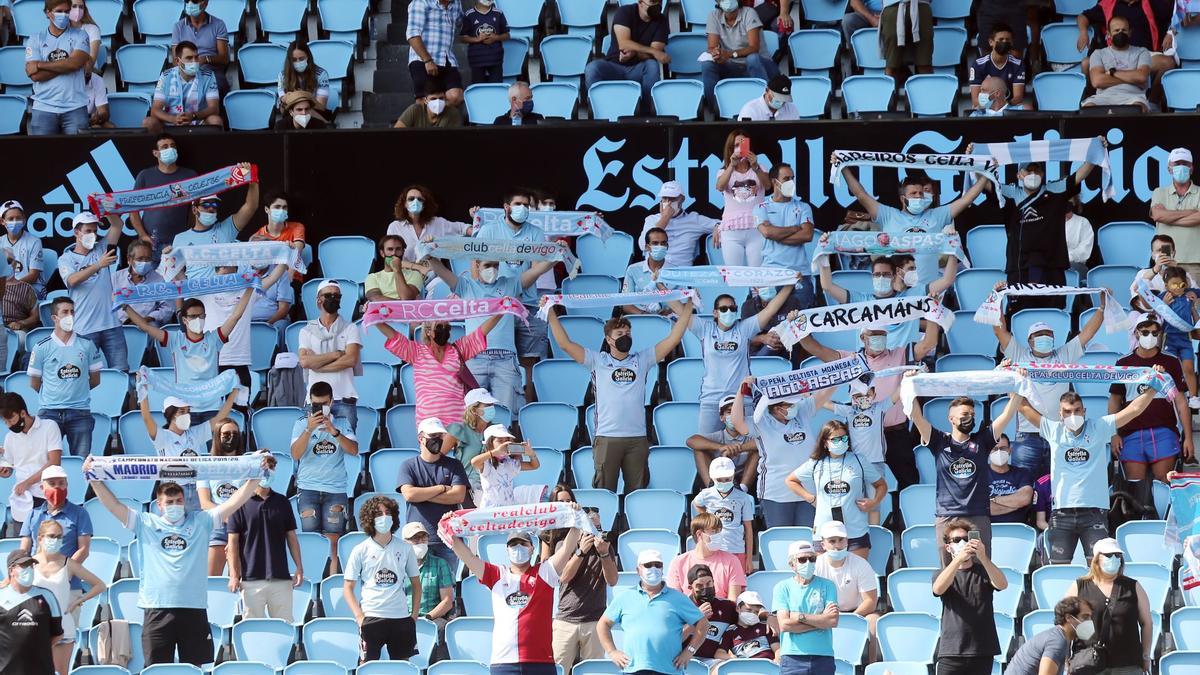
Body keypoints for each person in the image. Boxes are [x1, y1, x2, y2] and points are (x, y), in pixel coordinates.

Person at [84, 453, 272, 666]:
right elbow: (114, 506)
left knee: (193, 668)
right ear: (159, 504)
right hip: (157, 608)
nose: (175, 505)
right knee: (156, 669)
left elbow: (233, 503)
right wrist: (94, 479)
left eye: (179, 501)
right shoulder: (145, 523)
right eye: (170, 502)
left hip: (193, 607)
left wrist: (256, 477)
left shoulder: (201, 521)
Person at [546, 301, 692, 492]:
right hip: (607, 437)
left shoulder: (643, 359)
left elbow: (673, 338)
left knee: (637, 492)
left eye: (628, 334)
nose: (625, 337)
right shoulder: (597, 360)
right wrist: (549, 311)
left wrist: (688, 306)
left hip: (637, 438)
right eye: (620, 334)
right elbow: (565, 344)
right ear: (608, 339)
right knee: (605, 492)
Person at [1017, 384, 1159, 563]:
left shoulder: (1100, 427)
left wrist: (1154, 386)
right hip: (1061, 514)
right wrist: (1011, 379)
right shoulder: (1053, 430)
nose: (1073, 415)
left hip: (1094, 514)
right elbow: (1022, 406)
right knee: (1059, 569)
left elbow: (1135, 409)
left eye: (1077, 410)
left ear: (1084, 411)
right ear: (1060, 414)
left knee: (1099, 571)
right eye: (1067, 412)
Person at [799, 325, 940, 490]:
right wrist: (798, 327)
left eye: (882, 335)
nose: (878, 338)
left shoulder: (901, 354)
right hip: (862, 436)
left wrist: (933, 311)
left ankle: (905, 515)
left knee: (909, 483)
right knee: (860, 485)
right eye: (873, 334)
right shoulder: (850, 359)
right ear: (862, 338)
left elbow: (929, 343)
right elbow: (814, 348)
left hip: (896, 433)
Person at [446, 516, 583, 675]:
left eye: (523, 544)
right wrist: (450, 527)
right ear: (507, 550)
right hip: (503, 662)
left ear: (532, 548)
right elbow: (467, 557)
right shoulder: (496, 575)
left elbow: (567, 548)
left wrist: (576, 518)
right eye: (513, 544)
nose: (518, 547)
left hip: (540, 662)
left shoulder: (545, 572)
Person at [427, 255, 553, 413]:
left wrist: (557, 256)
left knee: (507, 414)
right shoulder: (465, 286)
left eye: (495, 265)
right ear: (477, 265)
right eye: (487, 265)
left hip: (505, 359)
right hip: (474, 358)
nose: (492, 269)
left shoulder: (510, 284)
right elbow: (442, 271)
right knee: (472, 416)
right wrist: (429, 254)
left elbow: (537, 271)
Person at [909, 387, 1022, 562]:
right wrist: (909, 386)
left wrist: (1016, 384)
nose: (969, 418)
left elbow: (1007, 414)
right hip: (947, 515)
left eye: (972, 414)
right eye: (964, 414)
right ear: (951, 418)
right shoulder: (939, 441)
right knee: (948, 569)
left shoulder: (982, 441)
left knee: (980, 567)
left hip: (977, 515)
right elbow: (916, 416)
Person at [995, 310, 1106, 476]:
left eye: (1048, 334)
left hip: (1058, 433)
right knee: (1026, 489)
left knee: (1058, 489)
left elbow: (1088, 332)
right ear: (1029, 340)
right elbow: (999, 330)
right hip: (1028, 437)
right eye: (1039, 334)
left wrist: (1102, 308)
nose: (1044, 337)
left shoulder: (1064, 355)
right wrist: (997, 302)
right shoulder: (1018, 354)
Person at [838, 167, 986, 287]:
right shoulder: (887, 215)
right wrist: (843, 168)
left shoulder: (937, 215)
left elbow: (967, 199)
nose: (919, 197)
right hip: (897, 290)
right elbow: (860, 194)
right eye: (913, 193)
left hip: (930, 290)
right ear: (903, 199)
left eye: (921, 193)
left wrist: (986, 174)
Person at [123, 292, 253, 424]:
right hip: (184, 408)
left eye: (201, 316)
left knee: (214, 445)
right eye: (193, 316)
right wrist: (125, 307)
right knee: (186, 445)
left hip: (212, 408)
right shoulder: (175, 339)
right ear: (184, 320)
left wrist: (251, 288)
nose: (198, 319)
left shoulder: (215, 338)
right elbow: (145, 326)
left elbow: (235, 317)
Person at [681, 286, 795, 433]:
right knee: (705, 446)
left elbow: (770, 310)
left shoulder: (744, 328)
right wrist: (662, 285)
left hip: (742, 398)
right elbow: (680, 311)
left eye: (732, 308)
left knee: (750, 446)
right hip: (711, 400)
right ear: (715, 313)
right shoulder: (705, 328)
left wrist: (789, 285)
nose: (728, 312)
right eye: (723, 309)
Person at [730, 373, 830, 529]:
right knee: (781, 541)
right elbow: (737, 422)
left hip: (808, 492)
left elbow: (824, 394)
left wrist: (843, 370)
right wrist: (741, 391)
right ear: (776, 408)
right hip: (776, 493)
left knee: (807, 539)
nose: (794, 407)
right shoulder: (760, 421)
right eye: (789, 405)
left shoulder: (801, 412)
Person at [376, 313, 503, 427]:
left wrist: (500, 313)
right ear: (428, 332)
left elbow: (481, 332)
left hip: (457, 421)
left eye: (446, 327)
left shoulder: (458, 349)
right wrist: (374, 317)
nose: (444, 330)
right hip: (428, 422)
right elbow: (394, 336)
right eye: (439, 327)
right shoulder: (416, 352)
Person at [1110, 314, 1192, 483]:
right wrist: (1113, 434)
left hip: (1164, 431)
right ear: (1136, 333)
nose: (1150, 336)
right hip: (1131, 432)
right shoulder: (1123, 362)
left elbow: (1181, 402)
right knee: (1135, 485)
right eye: (1145, 332)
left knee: (1164, 481)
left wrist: (1189, 438)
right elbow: (1115, 400)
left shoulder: (1171, 361)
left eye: (1155, 333)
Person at [599, 549, 709, 675]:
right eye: (648, 565)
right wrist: (612, 652)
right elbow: (603, 624)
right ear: (638, 570)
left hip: (669, 670)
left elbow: (703, 623)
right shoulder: (625, 597)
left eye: (658, 565)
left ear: (662, 569)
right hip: (633, 669)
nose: (653, 569)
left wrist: (689, 651)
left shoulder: (678, 598)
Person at [788, 420, 887, 557]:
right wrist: (811, 498)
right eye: (835, 439)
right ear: (825, 442)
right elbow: (791, 480)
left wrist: (874, 502)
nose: (840, 442)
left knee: (856, 575)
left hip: (855, 530)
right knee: (824, 576)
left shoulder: (859, 460)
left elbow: (881, 485)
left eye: (844, 438)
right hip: (824, 530)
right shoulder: (816, 463)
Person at [291, 381, 358, 575]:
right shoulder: (301, 424)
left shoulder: (342, 424)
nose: (320, 409)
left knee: (333, 542)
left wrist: (333, 431)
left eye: (324, 404)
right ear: (310, 403)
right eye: (315, 405)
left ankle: (330, 582)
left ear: (332, 402)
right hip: (308, 488)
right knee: (310, 540)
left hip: (335, 489)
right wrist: (308, 430)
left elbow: (354, 450)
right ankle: (311, 581)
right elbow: (294, 454)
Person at [344, 495, 421, 663]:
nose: (384, 517)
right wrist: (359, 617)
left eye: (387, 512)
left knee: (402, 668)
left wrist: (413, 616)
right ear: (370, 518)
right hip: (371, 616)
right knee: (367, 667)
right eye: (378, 514)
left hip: (400, 617)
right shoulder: (360, 550)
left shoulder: (406, 548)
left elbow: (416, 584)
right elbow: (348, 587)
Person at [1063, 538, 1155, 675]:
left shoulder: (1133, 586)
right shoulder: (1079, 587)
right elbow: (1065, 623)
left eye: (1117, 555)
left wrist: (1146, 655)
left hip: (1127, 664)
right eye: (1108, 555)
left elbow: (1147, 623)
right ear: (1096, 559)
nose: (1113, 558)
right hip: (1088, 663)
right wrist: (1065, 658)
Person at [226, 466, 303, 620]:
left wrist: (299, 567)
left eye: (271, 468)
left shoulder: (282, 502)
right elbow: (232, 543)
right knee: (252, 631)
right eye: (263, 469)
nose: (268, 473)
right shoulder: (238, 502)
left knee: (285, 628)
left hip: (281, 578)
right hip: (250, 580)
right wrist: (234, 575)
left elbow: (292, 537)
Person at [142, 390, 239, 513]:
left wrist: (234, 392)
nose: (186, 415)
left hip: (198, 489)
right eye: (182, 411)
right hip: (174, 491)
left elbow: (220, 417)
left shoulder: (194, 433)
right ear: (170, 414)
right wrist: (143, 391)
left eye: (188, 411)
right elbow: (146, 418)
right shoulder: (162, 436)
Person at [933, 517, 1008, 675]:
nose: (963, 543)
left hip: (981, 650)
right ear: (948, 547)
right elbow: (938, 589)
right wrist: (958, 559)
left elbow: (1002, 584)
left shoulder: (984, 571)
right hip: (952, 651)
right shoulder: (943, 574)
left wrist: (982, 556)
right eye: (957, 540)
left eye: (966, 539)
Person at [31, 519, 106, 675]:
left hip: (63, 627)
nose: (56, 540)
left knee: (60, 672)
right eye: (52, 536)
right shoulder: (29, 563)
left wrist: (78, 601)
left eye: (59, 537)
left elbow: (100, 585)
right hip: (35, 627)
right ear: (40, 538)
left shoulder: (69, 563)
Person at [28, 297, 101, 458]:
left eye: (72, 312)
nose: (70, 315)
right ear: (55, 317)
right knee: (46, 464)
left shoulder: (87, 344)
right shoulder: (41, 347)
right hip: (49, 413)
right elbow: (34, 383)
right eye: (65, 312)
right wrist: (56, 393)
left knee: (83, 464)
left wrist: (76, 390)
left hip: (80, 412)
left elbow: (95, 379)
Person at [398, 418, 470, 570]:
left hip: (448, 539)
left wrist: (422, 494)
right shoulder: (408, 465)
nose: (438, 439)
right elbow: (409, 495)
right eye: (433, 435)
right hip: (417, 539)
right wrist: (441, 488)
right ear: (421, 439)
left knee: (448, 588)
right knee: (417, 589)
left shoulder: (454, 465)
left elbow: (458, 496)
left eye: (440, 435)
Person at [551, 506, 617, 674]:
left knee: (593, 671)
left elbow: (612, 580)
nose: (595, 531)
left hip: (595, 620)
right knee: (558, 669)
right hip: (566, 619)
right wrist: (581, 551)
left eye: (598, 527)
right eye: (590, 526)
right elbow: (564, 577)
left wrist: (604, 554)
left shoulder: (605, 547)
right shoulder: (564, 545)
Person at [58, 210, 127, 372]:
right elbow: (72, 280)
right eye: (88, 231)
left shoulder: (101, 247)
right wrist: (98, 265)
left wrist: (105, 207)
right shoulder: (66, 258)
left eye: (95, 231)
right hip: (84, 328)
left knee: (122, 372)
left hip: (112, 325)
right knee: (84, 375)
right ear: (77, 232)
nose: (93, 235)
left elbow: (118, 224)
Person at [18, 465, 93, 611]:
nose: (57, 487)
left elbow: (83, 549)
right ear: (42, 487)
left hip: (69, 586)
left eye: (61, 483)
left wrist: (62, 572)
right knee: (36, 632)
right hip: (37, 585)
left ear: (67, 485)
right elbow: (24, 549)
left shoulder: (80, 513)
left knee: (68, 632)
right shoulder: (33, 514)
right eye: (52, 484)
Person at [298, 279, 363, 431]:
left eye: (336, 296)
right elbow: (305, 362)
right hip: (315, 400)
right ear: (319, 299)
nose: (333, 299)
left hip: (344, 399)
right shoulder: (306, 331)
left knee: (347, 446)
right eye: (328, 295)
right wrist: (335, 355)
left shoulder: (351, 328)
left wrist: (318, 365)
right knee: (314, 446)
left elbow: (351, 360)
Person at [170, 171, 261, 276]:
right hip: (196, 291)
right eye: (206, 205)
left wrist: (252, 179)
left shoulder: (227, 229)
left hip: (223, 291)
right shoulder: (180, 239)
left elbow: (251, 206)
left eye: (214, 205)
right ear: (194, 210)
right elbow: (175, 273)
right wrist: (167, 257)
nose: (211, 208)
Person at [584, 0, 668, 112]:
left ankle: (647, 114)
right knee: (592, 68)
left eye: (659, 1)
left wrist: (635, 53)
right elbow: (624, 43)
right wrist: (652, 51)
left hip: (639, 67)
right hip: (614, 65)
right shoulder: (625, 12)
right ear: (641, 3)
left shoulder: (662, 20)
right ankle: (599, 111)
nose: (657, 5)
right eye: (652, 1)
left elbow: (655, 52)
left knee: (652, 65)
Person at [824, 380, 897, 508]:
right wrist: (805, 392)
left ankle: (874, 527)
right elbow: (824, 403)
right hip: (854, 463)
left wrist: (910, 376)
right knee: (854, 502)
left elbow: (898, 393)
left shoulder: (880, 407)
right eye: (859, 396)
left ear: (874, 394)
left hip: (875, 462)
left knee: (874, 503)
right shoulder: (849, 411)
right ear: (853, 398)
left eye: (867, 394)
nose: (864, 398)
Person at [128, 134, 198, 262]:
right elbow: (133, 210)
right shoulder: (145, 176)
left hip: (179, 243)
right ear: (156, 153)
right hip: (151, 244)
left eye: (172, 146)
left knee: (179, 280)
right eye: (164, 147)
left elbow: (196, 207)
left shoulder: (190, 175)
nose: (170, 149)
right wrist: (143, 235)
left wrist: (189, 233)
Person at [24, 0, 91, 136]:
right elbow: (35, 76)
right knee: (44, 157)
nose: (64, 15)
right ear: (48, 13)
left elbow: (75, 63)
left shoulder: (81, 35)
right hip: (43, 108)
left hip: (75, 107)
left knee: (78, 156)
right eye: (59, 11)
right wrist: (67, 65)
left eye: (67, 11)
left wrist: (39, 64)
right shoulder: (35, 39)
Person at [0, 392, 62, 535]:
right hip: (22, 499)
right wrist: (4, 472)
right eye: (5, 421)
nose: (9, 424)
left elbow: (54, 462)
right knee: (22, 551)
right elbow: (9, 468)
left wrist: (27, 482)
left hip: (47, 496)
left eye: (11, 419)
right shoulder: (10, 437)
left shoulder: (49, 426)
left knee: (49, 548)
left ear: (22, 413)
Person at [756, 162, 816, 309]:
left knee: (801, 324)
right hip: (771, 275)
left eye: (792, 178)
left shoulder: (803, 207)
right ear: (774, 181)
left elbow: (807, 235)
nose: (791, 182)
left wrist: (777, 234)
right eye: (786, 178)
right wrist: (796, 228)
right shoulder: (761, 207)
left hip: (800, 275)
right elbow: (767, 232)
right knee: (770, 323)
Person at [774, 539, 839, 675]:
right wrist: (821, 621)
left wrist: (800, 617)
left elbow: (832, 621)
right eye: (802, 559)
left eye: (812, 558)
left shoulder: (828, 585)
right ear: (792, 564)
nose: (808, 563)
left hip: (823, 655)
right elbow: (785, 625)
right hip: (792, 657)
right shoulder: (782, 587)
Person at [702, 1, 778, 111]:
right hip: (732, 64)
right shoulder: (713, 16)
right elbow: (712, 47)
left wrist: (730, 54)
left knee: (752, 58)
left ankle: (765, 107)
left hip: (760, 64)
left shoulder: (749, 13)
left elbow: (754, 48)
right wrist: (717, 54)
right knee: (707, 64)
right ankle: (714, 111)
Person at [813, 520, 878, 643]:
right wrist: (825, 616)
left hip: (857, 613)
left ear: (847, 541)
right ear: (823, 544)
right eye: (832, 541)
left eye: (841, 539)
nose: (837, 545)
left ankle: (871, 662)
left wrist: (852, 618)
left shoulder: (861, 564)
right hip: (825, 614)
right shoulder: (815, 566)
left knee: (873, 621)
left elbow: (870, 601)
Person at [0, 550, 63, 674]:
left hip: (41, 670)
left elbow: (58, 634)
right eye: (24, 566)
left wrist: (38, 649)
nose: (28, 570)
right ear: (11, 570)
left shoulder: (47, 596)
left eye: (31, 566)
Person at [198, 418, 247, 574]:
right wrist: (226, 516)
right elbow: (205, 503)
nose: (231, 437)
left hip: (242, 525)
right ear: (218, 437)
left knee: (242, 579)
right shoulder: (206, 466)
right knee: (211, 578)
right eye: (226, 434)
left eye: (235, 434)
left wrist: (235, 519)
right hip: (217, 525)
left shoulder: (247, 464)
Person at [715, 129, 770, 268]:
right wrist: (732, 165)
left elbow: (768, 185)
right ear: (730, 149)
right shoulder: (724, 171)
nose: (740, 149)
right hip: (732, 230)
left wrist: (756, 167)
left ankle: (756, 291)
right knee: (734, 273)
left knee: (757, 274)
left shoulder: (760, 168)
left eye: (743, 144)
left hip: (756, 228)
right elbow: (720, 187)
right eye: (736, 145)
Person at [692, 457, 756, 574]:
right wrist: (707, 518)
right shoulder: (706, 494)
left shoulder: (742, 497)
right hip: (713, 548)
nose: (724, 482)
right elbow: (696, 503)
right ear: (712, 477)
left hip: (736, 548)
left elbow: (748, 528)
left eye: (727, 479)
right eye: (720, 480)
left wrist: (749, 559)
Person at [386, 184, 469, 273]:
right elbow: (390, 260)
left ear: (424, 204)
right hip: (406, 275)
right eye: (411, 199)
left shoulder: (438, 223)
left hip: (432, 277)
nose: (415, 201)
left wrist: (477, 217)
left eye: (420, 199)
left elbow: (463, 228)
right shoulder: (395, 227)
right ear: (405, 204)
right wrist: (419, 268)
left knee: (445, 285)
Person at [143, 41, 222, 133]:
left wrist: (193, 116)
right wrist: (173, 119)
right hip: (171, 123)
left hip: (198, 122)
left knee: (215, 120)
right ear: (177, 61)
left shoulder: (208, 76)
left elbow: (214, 108)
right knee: (148, 122)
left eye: (196, 57)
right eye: (189, 58)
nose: (194, 61)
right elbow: (155, 110)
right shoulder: (166, 76)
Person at [638, 181, 718, 270]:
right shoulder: (651, 219)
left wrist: (716, 227)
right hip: (656, 272)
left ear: (682, 199)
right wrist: (664, 218)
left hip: (681, 274)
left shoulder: (694, 219)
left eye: (672, 198)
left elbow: (724, 224)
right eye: (665, 198)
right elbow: (642, 245)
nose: (668, 202)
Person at [666, 513, 748, 601]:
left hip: (722, 612)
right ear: (699, 534)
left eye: (719, 531)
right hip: (690, 612)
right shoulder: (678, 563)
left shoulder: (732, 561)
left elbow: (733, 601)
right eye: (713, 531)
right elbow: (675, 601)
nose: (718, 535)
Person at [1004, 596, 1093, 675]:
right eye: (1085, 617)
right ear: (1068, 618)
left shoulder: (1060, 637)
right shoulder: (1057, 641)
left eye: (1090, 617)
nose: (1089, 621)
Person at [687, 395, 759, 492]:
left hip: (745, 479)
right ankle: (712, 489)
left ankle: (743, 489)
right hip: (719, 478)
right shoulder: (717, 436)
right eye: (729, 412)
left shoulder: (749, 435)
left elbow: (765, 441)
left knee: (758, 449)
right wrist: (721, 447)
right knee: (699, 450)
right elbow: (691, 441)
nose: (733, 416)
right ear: (722, 417)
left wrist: (739, 448)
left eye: (737, 412)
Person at [1083, 16, 1154, 111]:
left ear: (1130, 33)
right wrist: (1132, 78)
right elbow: (1097, 81)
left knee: (1139, 108)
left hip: (1133, 97)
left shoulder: (1142, 52)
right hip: (1104, 97)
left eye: (1124, 30)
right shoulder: (1098, 53)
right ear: (1109, 34)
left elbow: (1141, 77)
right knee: (1088, 109)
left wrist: (1112, 72)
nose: (1120, 33)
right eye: (1116, 30)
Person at [1151, 148, 1200, 282]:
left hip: (1195, 261)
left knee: (1194, 301)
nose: (1181, 167)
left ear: (1191, 168)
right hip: (1166, 258)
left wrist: (1168, 217)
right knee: (1167, 301)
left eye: (1185, 163)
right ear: (1169, 168)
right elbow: (1157, 216)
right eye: (1177, 164)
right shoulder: (1159, 192)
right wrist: (1191, 212)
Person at [406, 0, 465, 107]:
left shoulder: (456, 3)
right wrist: (427, 60)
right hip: (423, 59)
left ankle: (439, 120)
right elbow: (412, 34)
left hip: (447, 59)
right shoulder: (420, 2)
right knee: (424, 102)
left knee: (456, 97)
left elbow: (462, 22)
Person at [444, 388, 500, 500]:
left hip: (493, 486)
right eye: (487, 405)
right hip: (467, 487)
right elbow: (438, 456)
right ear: (474, 410)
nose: (492, 407)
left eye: (492, 404)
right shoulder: (458, 429)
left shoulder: (497, 429)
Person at [470, 424, 542, 508]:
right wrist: (494, 452)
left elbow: (534, 466)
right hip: (490, 510)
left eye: (506, 440)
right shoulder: (486, 463)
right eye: (500, 441)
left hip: (508, 509)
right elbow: (474, 462)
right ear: (490, 443)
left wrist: (531, 454)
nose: (504, 444)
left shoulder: (510, 463)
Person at [171, 0, 230, 95]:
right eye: (187, 0)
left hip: (211, 71)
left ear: (205, 3)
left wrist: (206, 59)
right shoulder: (178, 27)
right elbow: (175, 61)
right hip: (185, 71)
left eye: (194, 1)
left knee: (215, 87)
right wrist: (189, 66)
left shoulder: (219, 24)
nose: (190, 4)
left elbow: (224, 58)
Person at [402, 522, 455, 625]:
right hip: (402, 619)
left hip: (432, 618)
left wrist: (427, 618)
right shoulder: (396, 566)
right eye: (415, 538)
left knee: (441, 627)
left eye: (424, 538)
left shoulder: (440, 564)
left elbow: (447, 601)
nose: (421, 542)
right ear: (404, 542)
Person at [685, 564, 739, 663]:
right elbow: (672, 639)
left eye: (709, 583)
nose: (705, 588)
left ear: (714, 582)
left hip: (715, 661)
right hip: (687, 660)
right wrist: (697, 618)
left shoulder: (727, 606)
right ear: (690, 587)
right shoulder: (681, 606)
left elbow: (748, 620)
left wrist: (767, 615)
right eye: (699, 586)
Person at [114, 240, 174, 327]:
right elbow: (105, 306)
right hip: (119, 326)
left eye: (148, 259)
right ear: (129, 259)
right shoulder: (115, 278)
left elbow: (167, 308)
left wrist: (148, 319)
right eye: (140, 259)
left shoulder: (159, 279)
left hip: (147, 325)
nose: (144, 262)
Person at [620, 226, 674, 316]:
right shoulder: (632, 270)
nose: (660, 246)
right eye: (655, 243)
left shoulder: (676, 271)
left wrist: (668, 313)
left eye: (663, 243)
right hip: (641, 320)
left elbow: (684, 303)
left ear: (667, 246)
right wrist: (646, 315)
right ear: (647, 247)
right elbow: (626, 304)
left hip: (669, 321)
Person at [969, 23, 1026, 108]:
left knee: (1027, 107)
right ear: (991, 42)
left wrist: (1002, 107)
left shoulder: (1018, 64)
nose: (1004, 42)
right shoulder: (978, 65)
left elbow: (1018, 97)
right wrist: (993, 108)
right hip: (985, 108)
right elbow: (975, 100)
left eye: (1007, 40)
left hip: (1008, 107)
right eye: (1001, 39)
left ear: (1012, 42)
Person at [715, 590, 779, 661]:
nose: (752, 614)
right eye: (749, 610)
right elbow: (719, 653)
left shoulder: (765, 627)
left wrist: (776, 662)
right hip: (744, 668)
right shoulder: (730, 631)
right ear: (738, 608)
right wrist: (734, 659)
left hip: (768, 666)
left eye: (756, 612)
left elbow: (777, 649)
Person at [986, 434, 1036, 524]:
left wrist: (992, 499)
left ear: (1010, 450)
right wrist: (1014, 505)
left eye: (1003, 448)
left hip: (1018, 529)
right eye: (994, 449)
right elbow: (982, 507)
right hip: (988, 529)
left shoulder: (1022, 473)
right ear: (988, 451)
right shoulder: (980, 475)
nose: (999, 452)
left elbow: (1024, 499)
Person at [0, 200, 45, 298]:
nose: (15, 221)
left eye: (18, 218)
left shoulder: (34, 241)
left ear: (24, 219)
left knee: (10, 297)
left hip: (32, 287)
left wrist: (11, 286)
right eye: (11, 219)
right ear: (2, 221)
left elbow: (33, 275)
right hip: (5, 288)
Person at [880, 0, 934, 79]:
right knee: (892, 65)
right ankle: (890, 90)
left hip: (921, 4)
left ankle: (927, 90)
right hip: (893, 5)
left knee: (924, 64)